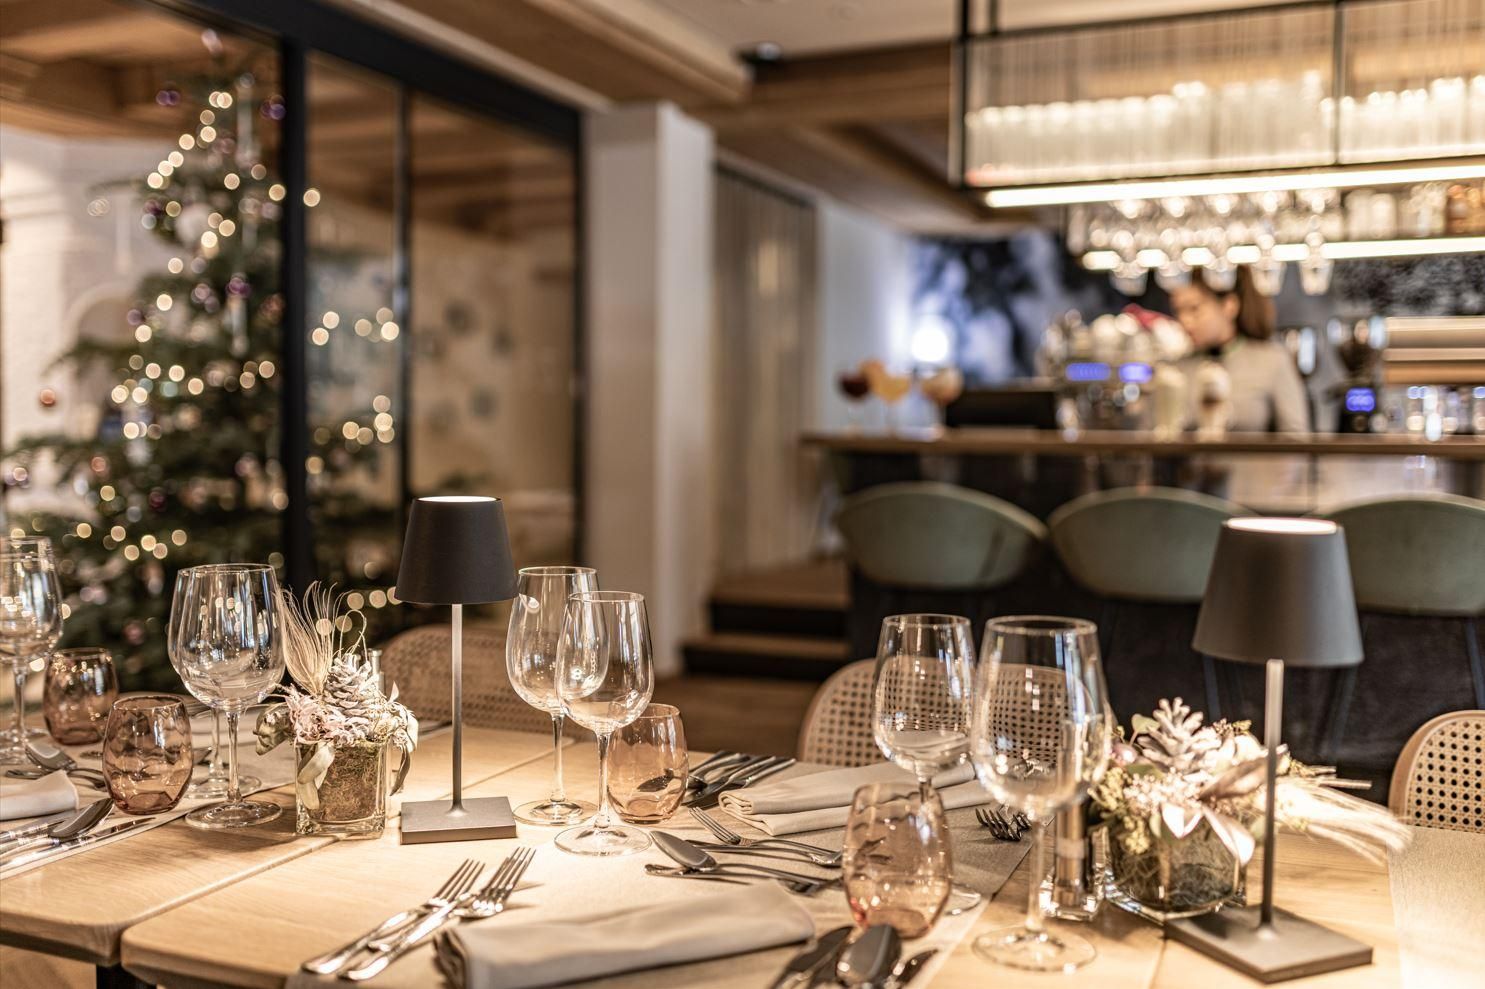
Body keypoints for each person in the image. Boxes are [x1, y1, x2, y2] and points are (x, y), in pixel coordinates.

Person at [1168, 267, 1311, 432]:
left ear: (1229, 306)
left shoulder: (1272, 361)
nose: (1184, 321)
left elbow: (1295, 437)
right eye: (1178, 310)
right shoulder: (1177, 370)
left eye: (1194, 309)